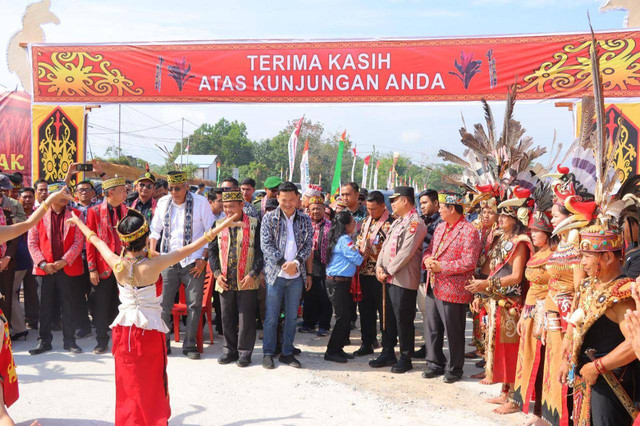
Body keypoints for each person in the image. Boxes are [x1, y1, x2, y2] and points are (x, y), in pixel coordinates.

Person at [68, 206, 241, 425]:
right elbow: (192, 247)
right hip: (149, 332)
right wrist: (222, 225)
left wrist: (78, 221)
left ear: (123, 241)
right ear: (146, 237)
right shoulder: (154, 264)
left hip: (124, 331)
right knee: (152, 382)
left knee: (127, 383)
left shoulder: (116, 262)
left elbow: (95, 240)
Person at [560, 225, 639, 425]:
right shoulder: (588, 285)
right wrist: (566, 355)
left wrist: (598, 366)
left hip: (611, 382)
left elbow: (634, 344)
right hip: (584, 376)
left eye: (587, 256)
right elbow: (574, 322)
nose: (582, 262)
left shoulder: (623, 295)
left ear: (608, 258)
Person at [467, 191, 532, 412]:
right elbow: (489, 270)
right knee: (498, 348)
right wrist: (481, 293)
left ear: (515, 219)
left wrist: (487, 287)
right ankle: (505, 391)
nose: (500, 219)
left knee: (511, 351)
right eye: (500, 215)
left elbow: (516, 277)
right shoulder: (499, 238)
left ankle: (515, 399)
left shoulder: (520, 242)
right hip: (495, 301)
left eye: (506, 216)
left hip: (510, 303)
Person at [150, 171, 215, 360]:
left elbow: (210, 232)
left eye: (177, 188)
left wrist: (203, 258)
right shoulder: (163, 202)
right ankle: (164, 342)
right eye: (170, 188)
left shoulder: (200, 202)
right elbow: (155, 229)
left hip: (193, 260)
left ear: (186, 186)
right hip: (168, 259)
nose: (173, 192)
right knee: (163, 304)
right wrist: (153, 249)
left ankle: (190, 345)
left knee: (194, 304)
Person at [541, 182, 587, 426]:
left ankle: (563, 419)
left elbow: (579, 289)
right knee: (552, 360)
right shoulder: (561, 244)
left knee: (564, 360)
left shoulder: (577, 244)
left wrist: (572, 321)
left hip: (568, 313)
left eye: (556, 215)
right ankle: (551, 416)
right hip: (554, 310)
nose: (552, 219)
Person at [422, 192, 481, 383]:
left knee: (453, 330)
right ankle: (434, 363)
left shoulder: (469, 231)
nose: (438, 209)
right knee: (432, 327)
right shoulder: (440, 227)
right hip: (434, 284)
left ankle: (455, 368)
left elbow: (469, 262)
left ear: (452, 208)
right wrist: (428, 259)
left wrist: (443, 267)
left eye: (441, 207)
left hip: (453, 288)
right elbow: (429, 249)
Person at [509, 183, 554, 421]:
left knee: (541, 363)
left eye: (537, 231)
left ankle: (540, 413)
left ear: (548, 233)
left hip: (544, 315)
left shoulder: (553, 257)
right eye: (532, 230)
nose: (533, 234)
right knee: (527, 360)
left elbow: (553, 289)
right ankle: (529, 406)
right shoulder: (536, 255)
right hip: (530, 313)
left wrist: (539, 316)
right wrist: (524, 314)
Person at [371, 186, 427, 373]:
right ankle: (388, 351)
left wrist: (388, 270)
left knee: (403, 319)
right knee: (388, 318)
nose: (391, 204)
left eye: (395, 200)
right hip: (388, 277)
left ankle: (405, 356)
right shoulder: (397, 222)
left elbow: (407, 252)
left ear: (405, 200)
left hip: (403, 279)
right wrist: (379, 266)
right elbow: (385, 245)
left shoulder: (415, 223)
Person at [27, 182, 85, 355]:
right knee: (44, 307)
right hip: (45, 269)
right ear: (53, 196)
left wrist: (64, 261)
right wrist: (43, 263)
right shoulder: (38, 215)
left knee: (68, 305)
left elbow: (78, 241)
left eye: (68, 193)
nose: (66, 196)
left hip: (67, 267)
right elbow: (32, 242)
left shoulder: (76, 214)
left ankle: (70, 341)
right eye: (63, 193)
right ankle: (43, 341)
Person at [260, 181, 313, 369]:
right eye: (284, 200)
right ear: (277, 198)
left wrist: (296, 263)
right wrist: (283, 264)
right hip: (276, 274)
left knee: (291, 317)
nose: (288, 203)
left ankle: (287, 352)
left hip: (296, 276)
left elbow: (308, 245)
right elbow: (266, 245)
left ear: (298, 199)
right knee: (272, 316)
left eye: (292, 199)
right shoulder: (269, 218)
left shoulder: (305, 219)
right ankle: (268, 352)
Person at [209, 190, 263, 367]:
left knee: (246, 318)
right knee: (226, 317)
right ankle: (229, 350)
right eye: (225, 207)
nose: (228, 210)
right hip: (224, 279)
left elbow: (261, 252)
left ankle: (244, 353)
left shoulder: (255, 224)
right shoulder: (217, 224)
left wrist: (253, 273)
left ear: (242, 205)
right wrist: (216, 273)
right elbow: (212, 252)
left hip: (247, 278)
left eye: (232, 206)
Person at [86, 176, 129, 354]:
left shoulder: (128, 211)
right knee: (101, 305)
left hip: (124, 267)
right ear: (111, 193)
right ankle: (101, 340)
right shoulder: (94, 212)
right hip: (103, 266)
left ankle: (121, 341)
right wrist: (92, 268)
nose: (126, 194)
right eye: (122, 191)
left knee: (122, 304)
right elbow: (90, 242)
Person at [354, 190, 393, 356]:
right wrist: (359, 248)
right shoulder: (366, 221)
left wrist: (373, 251)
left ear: (383, 206)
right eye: (368, 209)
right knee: (365, 310)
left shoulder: (391, 223)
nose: (370, 212)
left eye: (374, 209)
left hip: (382, 274)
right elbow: (359, 238)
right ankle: (367, 343)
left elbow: (392, 249)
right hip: (364, 272)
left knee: (384, 312)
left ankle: (387, 346)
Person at [324, 210, 365, 363]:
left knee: (346, 316)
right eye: (353, 223)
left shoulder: (339, 238)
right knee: (343, 317)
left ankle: (338, 348)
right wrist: (364, 253)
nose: (355, 225)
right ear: (347, 226)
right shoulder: (344, 240)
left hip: (341, 282)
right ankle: (331, 350)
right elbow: (357, 259)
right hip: (338, 283)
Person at [414, 189, 441, 359]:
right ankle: (427, 346)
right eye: (421, 203)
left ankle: (434, 351)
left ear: (436, 203)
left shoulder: (440, 223)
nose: (422, 206)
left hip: (434, 274)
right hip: (420, 273)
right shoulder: (423, 220)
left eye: (425, 203)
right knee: (424, 312)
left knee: (434, 316)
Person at [300, 195, 332, 336]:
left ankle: (324, 325)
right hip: (308, 264)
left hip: (326, 264)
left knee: (325, 296)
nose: (315, 212)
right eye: (313, 209)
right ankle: (309, 323)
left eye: (318, 209)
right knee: (309, 295)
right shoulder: (304, 224)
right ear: (308, 210)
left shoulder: (331, 226)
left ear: (324, 209)